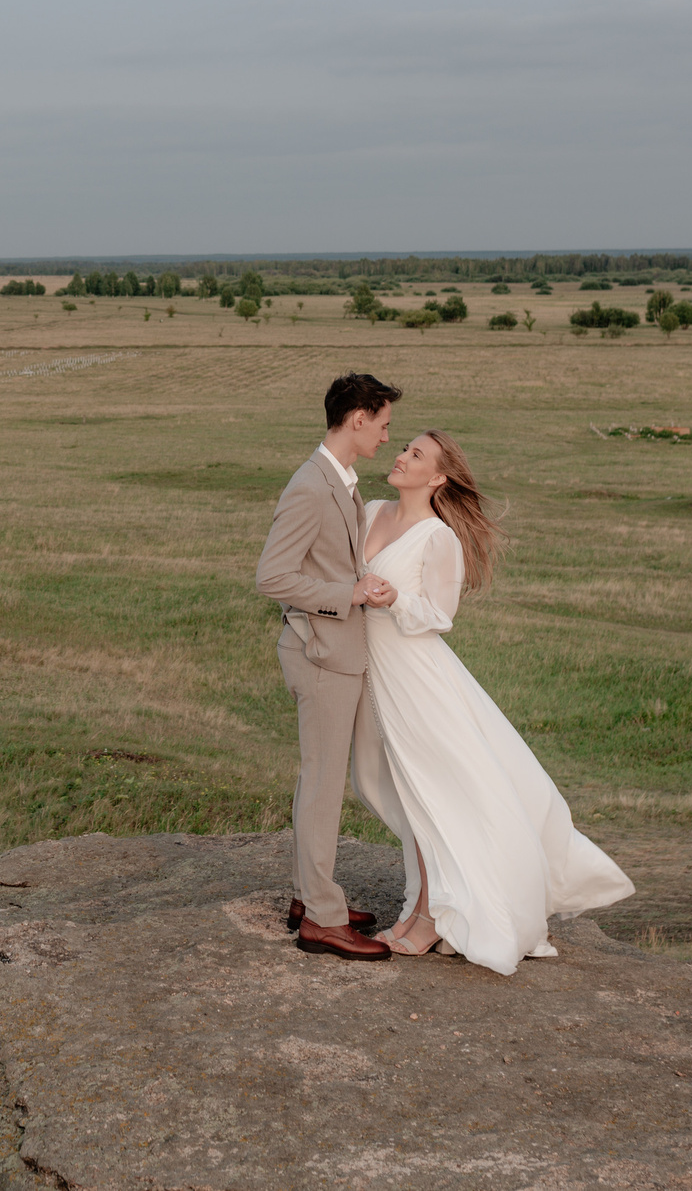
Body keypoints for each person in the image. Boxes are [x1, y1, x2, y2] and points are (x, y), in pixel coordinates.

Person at [358, 430, 634, 973]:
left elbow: (439, 616)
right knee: (393, 791)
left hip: (414, 678)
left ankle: (430, 916)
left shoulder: (437, 538)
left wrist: (396, 598)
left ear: (437, 478)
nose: (401, 456)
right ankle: (423, 906)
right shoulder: (369, 512)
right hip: (371, 674)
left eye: (416, 454)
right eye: (404, 448)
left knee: (429, 794)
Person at [254, 373, 417, 961]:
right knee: (323, 787)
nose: (386, 436)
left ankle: (309, 894)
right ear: (357, 419)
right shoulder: (310, 485)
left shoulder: (341, 481)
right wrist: (348, 593)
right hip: (321, 652)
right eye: (383, 423)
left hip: (334, 651)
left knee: (319, 781)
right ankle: (321, 920)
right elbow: (271, 577)